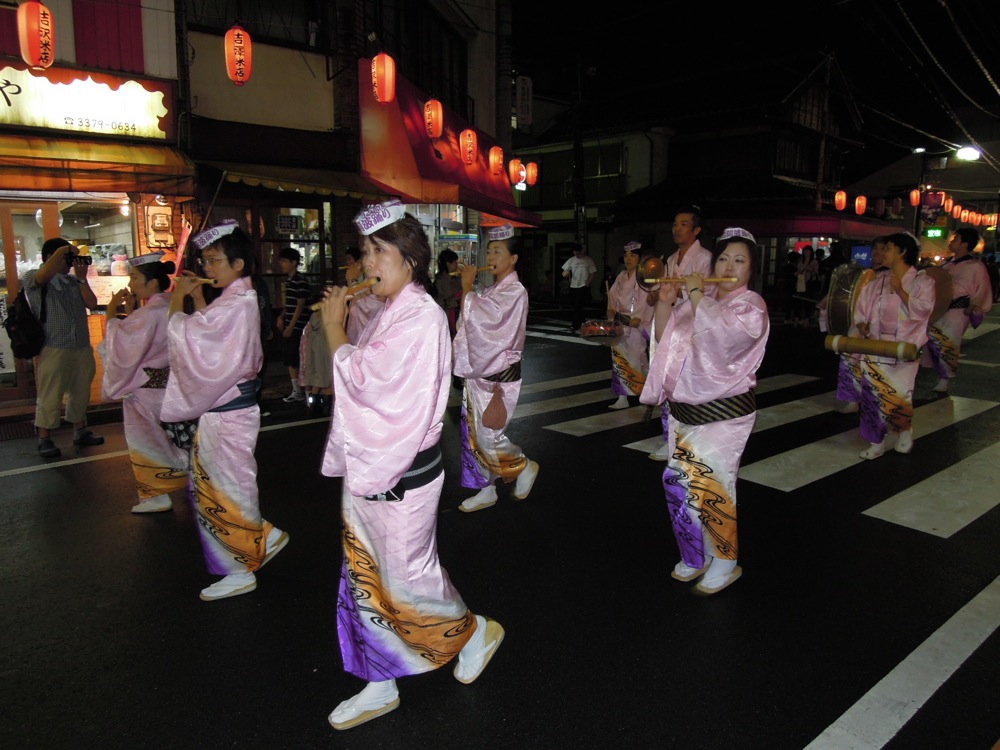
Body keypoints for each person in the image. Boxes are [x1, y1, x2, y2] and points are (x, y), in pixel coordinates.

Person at [317, 199, 504, 731]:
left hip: (402, 476)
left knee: (409, 582)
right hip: (374, 467)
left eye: (379, 251)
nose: (368, 263)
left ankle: (473, 631)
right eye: (367, 251)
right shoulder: (395, 309)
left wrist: (335, 331)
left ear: (410, 258)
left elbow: (368, 383)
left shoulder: (421, 317)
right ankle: (379, 680)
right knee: (363, 576)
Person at [161, 220, 288, 601]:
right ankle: (262, 534)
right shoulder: (239, 299)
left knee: (225, 488)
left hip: (228, 411)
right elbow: (206, 331)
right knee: (225, 483)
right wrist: (194, 301)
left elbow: (189, 338)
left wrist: (175, 299)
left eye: (215, 260)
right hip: (232, 409)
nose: (207, 268)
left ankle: (239, 568)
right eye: (205, 261)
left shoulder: (237, 303)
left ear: (238, 264)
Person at [639, 227, 769, 596]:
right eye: (724, 258)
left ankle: (726, 561)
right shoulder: (700, 301)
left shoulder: (751, 306)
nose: (729, 265)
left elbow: (724, 337)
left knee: (713, 486)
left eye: (739, 260)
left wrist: (695, 293)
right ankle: (696, 554)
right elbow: (667, 342)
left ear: (751, 269)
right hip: (686, 412)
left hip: (724, 416)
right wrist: (666, 300)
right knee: (680, 483)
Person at [453, 223, 539, 512]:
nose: (490, 256)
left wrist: (467, 290)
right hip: (479, 377)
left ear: (513, 259)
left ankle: (523, 466)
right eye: (488, 250)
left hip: (497, 381)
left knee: (489, 437)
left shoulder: (515, 292)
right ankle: (486, 488)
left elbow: (485, 324)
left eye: (498, 251)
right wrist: (471, 294)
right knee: (474, 437)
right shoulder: (491, 290)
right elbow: (469, 324)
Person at [100, 253, 190, 513]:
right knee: (165, 438)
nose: (131, 283)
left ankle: (155, 495)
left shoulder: (151, 313)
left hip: (144, 387)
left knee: (146, 440)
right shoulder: (170, 305)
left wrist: (111, 312)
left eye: (136, 278)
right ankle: (178, 480)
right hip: (164, 385)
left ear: (152, 283)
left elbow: (123, 344)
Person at [854, 232, 936, 459]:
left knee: (898, 394)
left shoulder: (923, 281)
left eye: (888, 248)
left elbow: (923, 310)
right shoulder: (877, 280)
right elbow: (861, 309)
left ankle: (903, 429)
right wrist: (861, 324)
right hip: (875, 346)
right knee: (872, 394)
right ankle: (875, 441)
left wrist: (901, 290)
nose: (883, 253)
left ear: (902, 251)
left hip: (904, 347)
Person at [22, 238, 105, 458]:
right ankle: (44, 438)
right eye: (67, 259)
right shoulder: (34, 278)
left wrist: (81, 278)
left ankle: (80, 430)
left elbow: (92, 304)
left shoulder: (72, 281)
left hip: (80, 345)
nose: (70, 263)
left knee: (81, 390)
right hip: (54, 346)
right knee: (51, 393)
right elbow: (43, 275)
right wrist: (65, 250)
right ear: (50, 258)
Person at [648, 206, 713, 461]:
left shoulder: (705, 259)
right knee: (669, 384)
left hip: (692, 331)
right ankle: (670, 438)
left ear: (696, 230)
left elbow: (705, 297)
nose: (677, 229)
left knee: (689, 386)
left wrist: (679, 291)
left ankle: (690, 439)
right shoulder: (671, 259)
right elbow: (666, 292)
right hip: (670, 327)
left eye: (683, 224)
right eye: (675, 224)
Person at [921, 227, 993, 394]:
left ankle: (945, 378)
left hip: (957, 311)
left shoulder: (976, 266)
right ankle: (940, 374)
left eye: (956, 239)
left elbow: (982, 290)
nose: (952, 242)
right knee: (933, 342)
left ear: (965, 244)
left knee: (949, 344)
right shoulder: (946, 265)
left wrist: (975, 306)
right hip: (939, 309)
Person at [826, 237, 889, 415]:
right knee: (848, 360)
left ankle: (874, 401)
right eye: (875, 247)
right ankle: (852, 399)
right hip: (858, 324)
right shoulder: (863, 274)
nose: (878, 252)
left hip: (879, 328)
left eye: (883, 248)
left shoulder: (893, 277)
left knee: (875, 366)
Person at [606, 241, 654, 410]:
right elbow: (612, 295)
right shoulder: (621, 276)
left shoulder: (643, 277)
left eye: (633, 255)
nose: (628, 259)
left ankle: (648, 391)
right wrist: (611, 310)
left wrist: (639, 317)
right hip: (621, 322)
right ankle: (623, 396)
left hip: (635, 324)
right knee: (620, 358)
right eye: (626, 255)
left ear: (640, 258)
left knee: (636, 359)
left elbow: (647, 300)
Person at [275, 247, 311, 403]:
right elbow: (289, 304)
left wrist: (291, 326)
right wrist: (282, 317)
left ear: (293, 263)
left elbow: (300, 305)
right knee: (291, 358)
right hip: (290, 323)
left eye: (284, 261)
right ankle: (297, 390)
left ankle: (301, 391)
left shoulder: (300, 281)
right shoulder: (290, 281)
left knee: (297, 359)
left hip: (299, 327)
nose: (281, 264)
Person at [561, 242, 596, 332]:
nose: (577, 254)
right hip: (573, 285)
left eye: (578, 253)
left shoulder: (588, 260)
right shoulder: (571, 260)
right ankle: (583, 322)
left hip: (583, 286)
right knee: (575, 305)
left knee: (578, 305)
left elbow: (593, 272)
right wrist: (565, 274)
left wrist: (588, 282)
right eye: (575, 253)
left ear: (582, 251)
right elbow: (564, 272)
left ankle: (575, 325)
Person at [434, 248, 462, 338]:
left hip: (457, 313)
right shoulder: (441, 280)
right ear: (448, 264)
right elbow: (443, 300)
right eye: (455, 262)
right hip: (448, 315)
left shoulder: (455, 277)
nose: (457, 264)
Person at [791, 245, 821, 327]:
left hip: (809, 283)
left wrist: (811, 270)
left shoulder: (814, 261)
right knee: (798, 301)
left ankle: (806, 319)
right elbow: (797, 271)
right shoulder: (801, 260)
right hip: (800, 282)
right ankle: (797, 318)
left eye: (808, 251)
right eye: (805, 251)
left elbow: (816, 272)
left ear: (811, 252)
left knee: (807, 301)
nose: (806, 253)